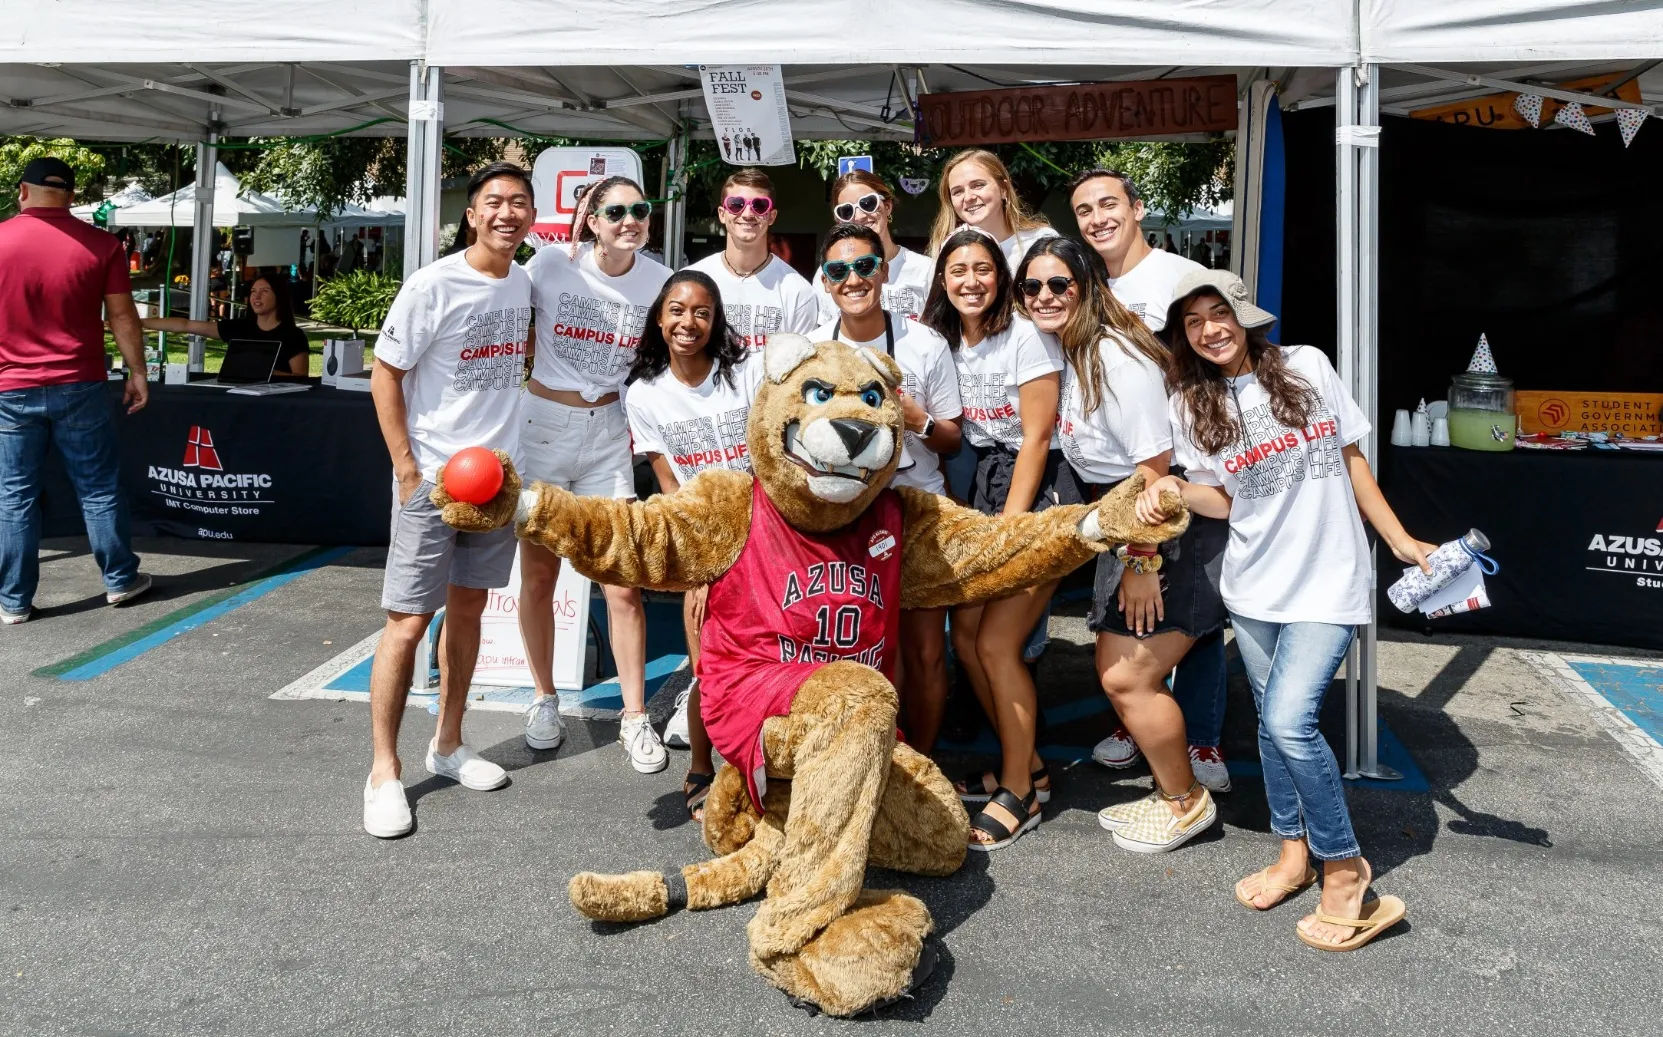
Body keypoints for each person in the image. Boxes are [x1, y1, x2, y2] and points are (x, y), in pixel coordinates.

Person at [1138, 269, 1424, 949]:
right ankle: (1292, 851)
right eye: (1193, 322)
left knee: (1292, 721)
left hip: (1328, 577)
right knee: (1271, 723)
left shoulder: (1304, 366)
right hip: (1253, 582)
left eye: (1219, 313)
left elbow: (1351, 459)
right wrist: (1175, 492)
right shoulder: (1187, 404)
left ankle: (1344, 865)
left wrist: (1399, 539)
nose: (1210, 329)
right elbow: (1222, 499)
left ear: (1244, 314)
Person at [1021, 236, 1224, 853]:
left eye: (1060, 284)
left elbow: (1156, 473)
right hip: (1130, 523)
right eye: (1031, 287)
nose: (1045, 296)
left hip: (1163, 529)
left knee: (1126, 677)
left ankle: (1185, 802)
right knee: (1118, 672)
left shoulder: (1113, 357)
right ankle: (1176, 795)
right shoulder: (1079, 351)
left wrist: (1141, 561)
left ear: (1088, 287)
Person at [361, 161, 535, 839]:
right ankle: (382, 770)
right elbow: (386, 374)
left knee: (470, 609)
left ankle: (450, 742)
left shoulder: (522, 280)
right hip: (433, 482)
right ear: (471, 213)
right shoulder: (431, 284)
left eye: (518, 203)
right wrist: (406, 468)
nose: (506, 213)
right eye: (494, 202)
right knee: (406, 623)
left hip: (494, 484)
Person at [1071, 167, 1230, 790]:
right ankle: (1137, 721)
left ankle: (1205, 740)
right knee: (1140, 617)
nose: (1097, 218)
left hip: (1180, 466)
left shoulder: (1178, 278)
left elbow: (1221, 353)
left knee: (1193, 614)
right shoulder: (1088, 287)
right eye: (1085, 210)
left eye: (1109, 204)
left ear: (1137, 209)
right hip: (1126, 477)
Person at [520, 175, 671, 773]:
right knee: (538, 576)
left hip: (609, 430)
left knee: (623, 584)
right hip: (543, 427)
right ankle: (543, 699)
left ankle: (635, 717)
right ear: (590, 218)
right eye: (615, 212)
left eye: (639, 210)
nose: (629, 221)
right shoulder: (551, 264)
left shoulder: (659, 280)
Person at [920, 228, 1064, 851]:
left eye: (983, 269)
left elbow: (1037, 437)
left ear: (1000, 277)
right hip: (982, 485)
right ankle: (1028, 767)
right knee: (971, 639)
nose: (971, 281)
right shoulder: (946, 339)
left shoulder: (1024, 335)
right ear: (942, 281)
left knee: (1001, 643)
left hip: (1040, 489)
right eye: (958, 271)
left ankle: (1020, 794)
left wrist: (1011, 526)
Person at [810, 223, 963, 752]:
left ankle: (920, 761)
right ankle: (875, 758)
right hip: (843, 515)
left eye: (864, 266)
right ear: (826, 282)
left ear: (885, 270)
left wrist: (916, 418)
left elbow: (952, 441)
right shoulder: (812, 353)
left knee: (924, 651)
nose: (853, 279)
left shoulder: (924, 342)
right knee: (863, 648)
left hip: (916, 507)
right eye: (838, 270)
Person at [624, 269, 763, 819]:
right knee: (706, 664)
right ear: (659, 319)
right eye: (677, 310)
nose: (689, 322)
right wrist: (700, 569)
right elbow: (672, 490)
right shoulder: (643, 396)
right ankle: (701, 767)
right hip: (706, 543)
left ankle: (757, 765)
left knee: (766, 661)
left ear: (716, 320)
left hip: (763, 533)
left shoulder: (744, 375)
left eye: (702, 312)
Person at [0, 157, 153, 625]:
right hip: (80, 382)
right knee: (98, 487)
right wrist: (138, 371)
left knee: (14, 495)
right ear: (69, 195)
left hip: (11, 385)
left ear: (23, 192)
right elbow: (122, 316)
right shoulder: (103, 245)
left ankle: (13, 601)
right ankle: (120, 580)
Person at [689, 169, 818, 351]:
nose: (748, 213)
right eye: (736, 204)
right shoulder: (693, 280)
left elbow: (802, 369)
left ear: (771, 216)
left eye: (759, 206)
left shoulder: (798, 291)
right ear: (722, 214)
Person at [811, 169, 936, 324]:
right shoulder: (831, 271)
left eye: (868, 204)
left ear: (888, 206)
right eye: (846, 211)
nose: (860, 216)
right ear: (839, 221)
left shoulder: (925, 269)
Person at [140, 272, 310, 377]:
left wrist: (263, 373)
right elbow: (185, 325)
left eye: (264, 292)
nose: (256, 297)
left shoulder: (294, 336)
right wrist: (139, 323)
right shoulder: (239, 327)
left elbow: (300, 376)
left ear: (279, 296)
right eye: (253, 292)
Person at [927, 149, 1058, 272]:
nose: (968, 197)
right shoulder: (948, 251)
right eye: (958, 191)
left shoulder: (1041, 240)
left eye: (978, 185)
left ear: (1003, 189)